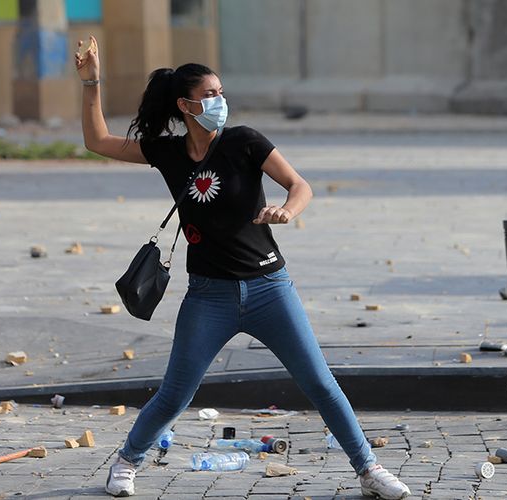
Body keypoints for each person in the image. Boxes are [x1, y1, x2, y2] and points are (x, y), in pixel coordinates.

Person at [74, 36, 411, 500]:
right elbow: (97, 141)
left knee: (319, 382)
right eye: (209, 95)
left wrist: (288, 211)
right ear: (185, 105)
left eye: (221, 92)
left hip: (270, 288)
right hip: (209, 296)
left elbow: (299, 184)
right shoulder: (169, 153)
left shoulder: (245, 142)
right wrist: (92, 81)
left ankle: (369, 470)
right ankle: (127, 462)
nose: (219, 101)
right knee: (175, 393)